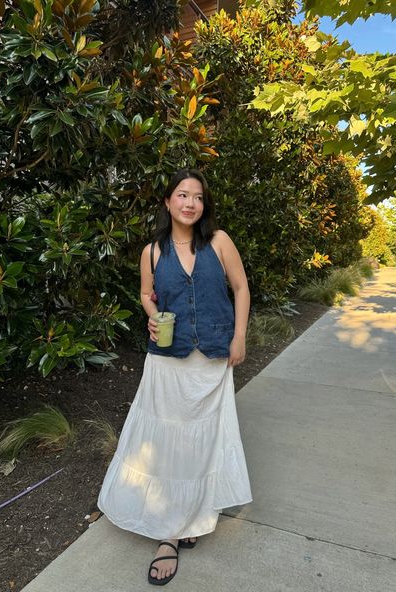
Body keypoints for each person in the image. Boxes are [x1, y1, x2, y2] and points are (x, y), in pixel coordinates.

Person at [98, 169, 252, 586]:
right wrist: (152, 317)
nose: (190, 203)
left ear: (204, 205)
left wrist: (239, 336)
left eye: (197, 197)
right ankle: (168, 534)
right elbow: (147, 295)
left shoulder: (218, 242)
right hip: (167, 360)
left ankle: (194, 515)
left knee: (204, 439)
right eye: (182, 195)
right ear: (168, 202)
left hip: (212, 359)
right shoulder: (151, 252)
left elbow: (240, 288)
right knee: (166, 443)